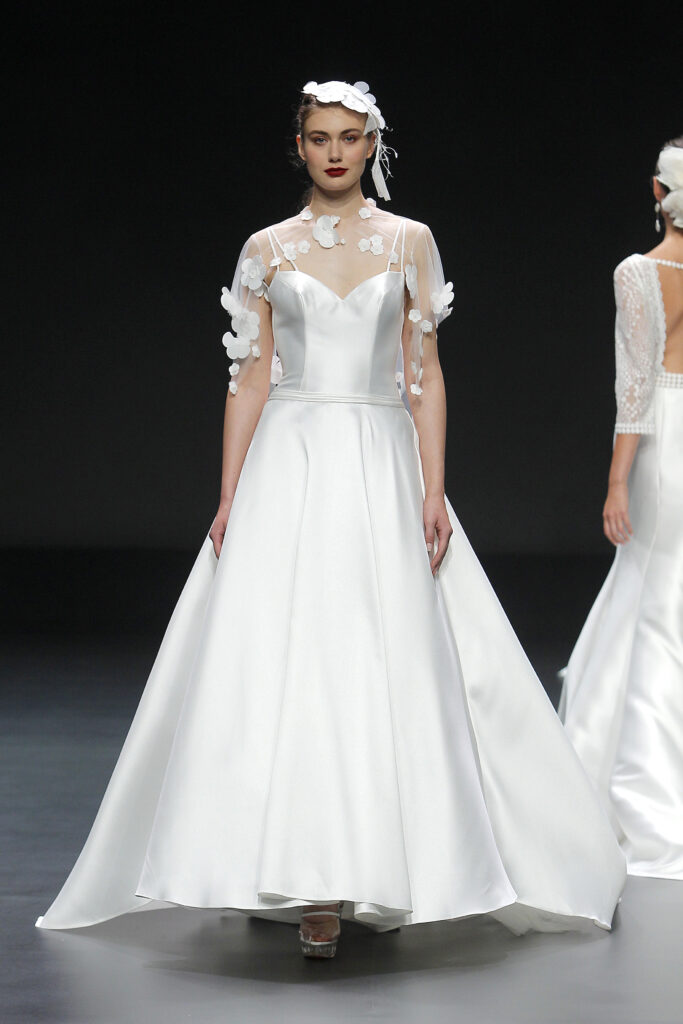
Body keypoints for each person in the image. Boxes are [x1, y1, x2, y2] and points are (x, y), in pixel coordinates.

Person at [36, 80, 625, 958]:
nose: (336, 152)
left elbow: (423, 377)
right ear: (300, 147)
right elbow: (249, 378)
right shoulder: (265, 248)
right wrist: (230, 495)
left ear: (371, 144)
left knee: (378, 652)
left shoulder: (410, 241)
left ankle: (379, 864)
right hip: (291, 461)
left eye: (350, 137)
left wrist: (433, 488)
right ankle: (309, 879)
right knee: (288, 658)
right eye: (320, 137)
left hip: (380, 460)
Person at [559, 138, 683, 879]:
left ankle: (645, 793)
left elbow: (635, 385)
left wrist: (615, 482)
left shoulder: (640, 272)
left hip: (666, 445)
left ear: (657, 190)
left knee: (655, 594)